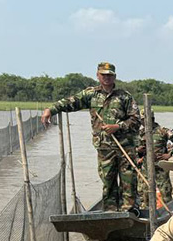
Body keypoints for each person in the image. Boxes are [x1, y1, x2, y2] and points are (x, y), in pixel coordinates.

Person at [41, 62, 140, 213]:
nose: (106, 77)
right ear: (98, 76)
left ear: (114, 77)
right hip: (104, 148)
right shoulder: (91, 94)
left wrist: (118, 126)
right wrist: (50, 110)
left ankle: (129, 211)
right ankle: (111, 212)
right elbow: (70, 102)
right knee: (108, 181)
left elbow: (136, 120)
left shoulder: (124, 96)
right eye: (103, 74)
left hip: (125, 147)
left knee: (129, 180)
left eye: (109, 75)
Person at [136, 108, 173, 205]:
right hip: (146, 167)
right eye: (141, 120)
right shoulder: (141, 133)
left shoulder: (163, 131)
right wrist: (139, 151)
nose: (142, 122)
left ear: (151, 119)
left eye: (144, 120)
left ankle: (168, 210)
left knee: (165, 193)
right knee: (145, 193)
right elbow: (134, 148)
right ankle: (147, 210)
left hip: (160, 167)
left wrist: (169, 154)